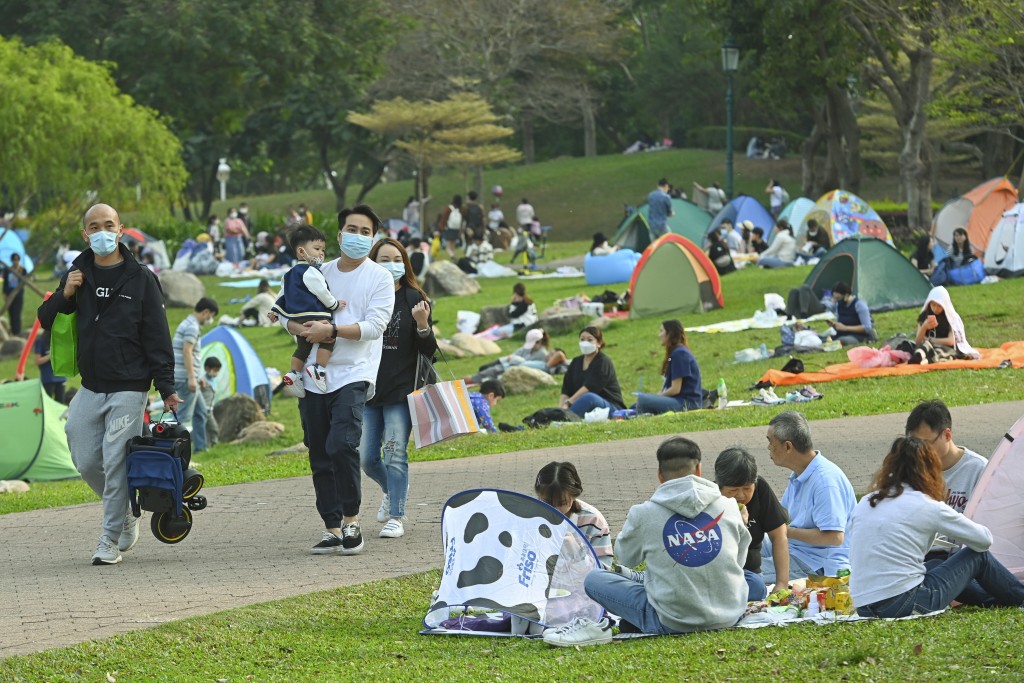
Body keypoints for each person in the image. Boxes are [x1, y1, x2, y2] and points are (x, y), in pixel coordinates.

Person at [36, 203, 182, 565]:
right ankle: (127, 513)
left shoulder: (141, 278)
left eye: (108, 225)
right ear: (85, 234)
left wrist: (166, 388)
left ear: (120, 230)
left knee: (115, 459)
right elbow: (45, 320)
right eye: (93, 226)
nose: (101, 231)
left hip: (130, 387)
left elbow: (157, 337)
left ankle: (108, 540)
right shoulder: (77, 272)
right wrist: (64, 294)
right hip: (90, 385)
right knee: (86, 460)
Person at [545, 437, 748, 646]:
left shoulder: (644, 512)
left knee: (595, 579)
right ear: (699, 470)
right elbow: (739, 560)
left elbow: (625, 557)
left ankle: (640, 602)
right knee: (753, 581)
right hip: (730, 614)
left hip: (671, 621)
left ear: (660, 475)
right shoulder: (730, 506)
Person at [288, 204, 395, 556]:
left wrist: (331, 329)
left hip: (355, 373)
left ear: (373, 237)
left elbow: (374, 326)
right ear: (338, 234)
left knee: (341, 445)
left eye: (366, 232)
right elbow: (292, 312)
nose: (358, 236)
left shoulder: (378, 277)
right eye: (352, 229)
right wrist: (296, 326)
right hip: (315, 374)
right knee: (318, 451)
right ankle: (331, 528)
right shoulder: (318, 270)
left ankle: (352, 521)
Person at [849, 435, 1024, 618]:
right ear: (930, 469)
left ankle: (994, 601)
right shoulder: (925, 504)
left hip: (864, 607)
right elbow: (984, 540)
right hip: (903, 604)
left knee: (934, 564)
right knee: (977, 556)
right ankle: (1020, 597)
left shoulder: (867, 501)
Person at [361, 237, 437, 540]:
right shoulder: (364, 296)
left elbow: (429, 350)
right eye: (383, 259)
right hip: (368, 388)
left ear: (404, 263)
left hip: (401, 390)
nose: (390, 265)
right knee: (367, 459)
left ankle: (396, 515)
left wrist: (422, 324)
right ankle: (391, 491)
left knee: (394, 453)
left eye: (396, 259)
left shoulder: (413, 297)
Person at [762, 411, 856, 583]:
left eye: (770, 442)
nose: (768, 448)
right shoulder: (801, 472)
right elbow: (782, 515)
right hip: (796, 549)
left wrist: (786, 532)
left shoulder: (825, 481)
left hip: (818, 564)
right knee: (743, 546)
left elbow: (834, 537)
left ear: (788, 446)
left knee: (747, 573)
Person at [905, 399, 988, 561]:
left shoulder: (978, 469)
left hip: (962, 557)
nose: (919, 451)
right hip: (920, 557)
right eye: (914, 444)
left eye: (926, 444)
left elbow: (986, 530)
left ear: (947, 435)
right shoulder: (912, 469)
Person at [270, 225, 343, 395]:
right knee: (328, 340)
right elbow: (322, 292)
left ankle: (294, 373)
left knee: (303, 347)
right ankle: (319, 368)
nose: (321, 254)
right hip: (315, 316)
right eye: (317, 249)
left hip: (297, 318)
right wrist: (335, 304)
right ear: (302, 252)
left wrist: (274, 310)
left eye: (323, 249)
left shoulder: (288, 274)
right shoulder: (311, 271)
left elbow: (282, 295)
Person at [715, 446, 790, 602]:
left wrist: (781, 583)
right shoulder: (710, 497)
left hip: (749, 574)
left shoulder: (760, 489)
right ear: (719, 486)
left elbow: (779, 536)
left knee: (757, 587)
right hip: (718, 573)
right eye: (733, 490)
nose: (741, 495)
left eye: (747, 488)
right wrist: (737, 523)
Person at [534, 461, 612, 559]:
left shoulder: (593, 521)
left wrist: (577, 551)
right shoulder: (528, 516)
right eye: (547, 503)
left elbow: (602, 570)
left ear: (574, 495)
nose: (554, 510)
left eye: (561, 503)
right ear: (539, 495)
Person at [172, 297, 219, 454]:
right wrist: (192, 378)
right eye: (211, 315)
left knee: (201, 412)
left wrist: (198, 378)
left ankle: (201, 448)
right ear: (206, 312)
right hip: (185, 379)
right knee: (184, 418)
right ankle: (176, 451)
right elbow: (187, 351)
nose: (210, 319)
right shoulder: (192, 326)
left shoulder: (187, 323)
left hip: (190, 377)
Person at [633, 320, 702, 414]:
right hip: (678, 401)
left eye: (661, 331)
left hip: (687, 404)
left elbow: (675, 389)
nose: (659, 335)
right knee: (635, 405)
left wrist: (657, 397)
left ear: (670, 334)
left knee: (642, 400)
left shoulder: (680, 354)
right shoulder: (677, 352)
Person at [560, 327, 625, 418]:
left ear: (599, 343)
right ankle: (560, 416)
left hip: (611, 407)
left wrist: (568, 403)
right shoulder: (575, 362)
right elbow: (566, 389)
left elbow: (589, 387)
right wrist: (561, 408)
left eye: (590, 340)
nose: (585, 343)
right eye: (582, 339)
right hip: (582, 405)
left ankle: (564, 418)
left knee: (589, 398)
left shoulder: (603, 362)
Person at [908, 286, 979, 364]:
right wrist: (924, 327)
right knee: (922, 346)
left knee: (940, 351)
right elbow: (917, 341)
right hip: (927, 345)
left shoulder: (950, 317)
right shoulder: (925, 316)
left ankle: (924, 360)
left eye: (939, 306)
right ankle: (919, 356)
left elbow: (951, 341)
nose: (936, 309)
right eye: (933, 305)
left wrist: (931, 340)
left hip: (945, 347)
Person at [829, 281, 876, 347]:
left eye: (838, 298)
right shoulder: (839, 305)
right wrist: (835, 326)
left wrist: (846, 328)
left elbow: (867, 327)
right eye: (835, 298)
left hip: (859, 335)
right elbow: (839, 322)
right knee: (826, 338)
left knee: (842, 341)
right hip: (844, 333)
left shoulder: (859, 305)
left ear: (847, 295)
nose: (837, 301)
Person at [33, 329, 67, 403]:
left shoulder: (60, 339)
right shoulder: (40, 341)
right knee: (47, 403)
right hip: (48, 378)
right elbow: (37, 361)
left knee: (60, 403)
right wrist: (51, 355)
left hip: (61, 377)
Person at [2, 252, 26, 336]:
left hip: (18, 294)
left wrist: (20, 271)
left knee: (17, 313)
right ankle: (13, 331)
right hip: (9, 293)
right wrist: (4, 293)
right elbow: (5, 283)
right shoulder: (8, 270)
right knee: (11, 313)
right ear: (12, 260)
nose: (16, 261)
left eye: (17, 260)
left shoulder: (22, 269)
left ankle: (17, 332)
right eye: (14, 260)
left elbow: (25, 280)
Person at [200, 356, 221, 448]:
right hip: (203, 409)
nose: (216, 372)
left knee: (214, 428)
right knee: (203, 429)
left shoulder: (213, 381)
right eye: (215, 370)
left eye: (218, 370)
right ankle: (204, 445)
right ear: (207, 368)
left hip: (209, 410)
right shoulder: (202, 380)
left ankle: (214, 444)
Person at [440, 195, 463, 260]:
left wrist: (441, 228)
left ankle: (452, 257)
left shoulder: (449, 208)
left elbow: (444, 218)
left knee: (448, 247)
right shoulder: (460, 209)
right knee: (453, 246)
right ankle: (455, 257)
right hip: (456, 229)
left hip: (449, 229)